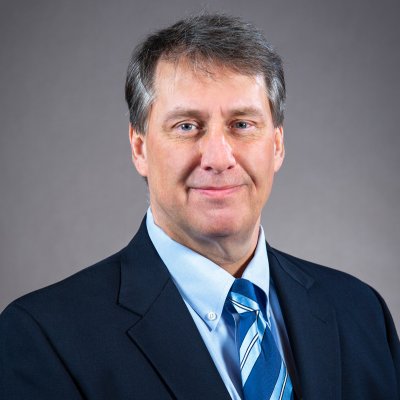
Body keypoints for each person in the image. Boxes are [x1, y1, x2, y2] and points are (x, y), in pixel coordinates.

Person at [1, 13, 399, 400]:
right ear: (139, 148)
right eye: (187, 126)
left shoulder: (361, 312)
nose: (218, 158)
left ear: (277, 145)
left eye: (242, 124)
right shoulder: (43, 337)